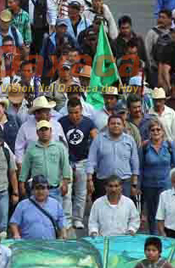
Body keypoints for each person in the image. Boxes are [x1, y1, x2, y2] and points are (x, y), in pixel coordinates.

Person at [58, 98, 97, 230]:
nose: (74, 115)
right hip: (67, 160)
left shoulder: (88, 122)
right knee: (67, 192)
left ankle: (78, 219)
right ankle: (67, 219)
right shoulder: (62, 122)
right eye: (71, 112)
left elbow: (96, 140)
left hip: (83, 160)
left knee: (81, 192)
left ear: (81, 110)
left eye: (76, 112)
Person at [87, 114, 139, 199]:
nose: (116, 125)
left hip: (124, 182)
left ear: (123, 126)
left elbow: (135, 162)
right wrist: (89, 180)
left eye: (118, 123)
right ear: (108, 126)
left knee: (124, 209)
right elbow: (91, 160)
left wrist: (134, 183)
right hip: (104, 182)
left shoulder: (129, 140)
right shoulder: (99, 139)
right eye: (113, 123)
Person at [18, 120, 71, 202]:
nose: (44, 132)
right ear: (37, 132)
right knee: (36, 213)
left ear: (51, 131)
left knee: (54, 213)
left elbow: (65, 165)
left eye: (46, 129)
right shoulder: (31, 148)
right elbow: (25, 167)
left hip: (54, 189)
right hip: (37, 190)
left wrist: (65, 183)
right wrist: (21, 184)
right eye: (41, 130)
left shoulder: (59, 147)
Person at [9, 174, 65, 240]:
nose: (40, 191)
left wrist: (63, 235)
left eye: (43, 188)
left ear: (48, 190)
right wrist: (16, 235)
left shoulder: (56, 204)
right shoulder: (22, 205)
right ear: (32, 190)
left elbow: (62, 223)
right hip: (28, 245)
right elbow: (14, 223)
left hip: (50, 245)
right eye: (37, 188)